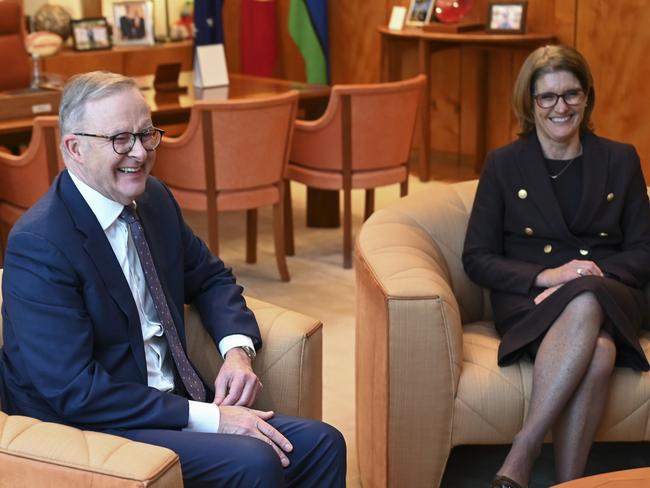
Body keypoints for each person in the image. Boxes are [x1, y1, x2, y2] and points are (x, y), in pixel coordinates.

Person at [0, 71, 346, 487]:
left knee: (325, 443)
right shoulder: (40, 243)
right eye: (120, 139)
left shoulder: (154, 199)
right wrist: (212, 418)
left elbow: (212, 278)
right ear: (75, 148)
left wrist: (237, 352)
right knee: (254, 461)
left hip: (172, 401)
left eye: (147, 134)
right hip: (96, 425)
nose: (141, 152)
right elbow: (75, 391)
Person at [463, 45, 650, 488]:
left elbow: (644, 250)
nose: (560, 107)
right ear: (529, 104)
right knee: (600, 353)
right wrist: (549, 277)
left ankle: (522, 450)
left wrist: (584, 278)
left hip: (610, 293)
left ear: (588, 97)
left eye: (571, 94)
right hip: (532, 300)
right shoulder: (504, 164)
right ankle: (570, 484)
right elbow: (477, 257)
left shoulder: (620, 159)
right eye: (546, 97)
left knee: (585, 300)